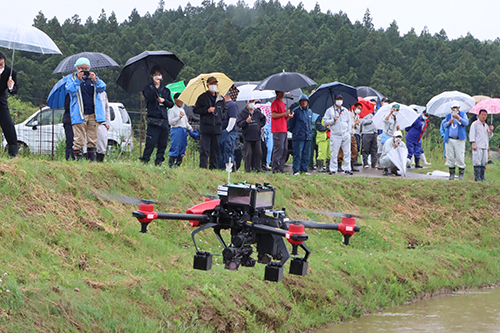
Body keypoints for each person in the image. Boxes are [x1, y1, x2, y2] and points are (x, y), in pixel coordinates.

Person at [66, 57, 106, 161]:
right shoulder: (72, 79)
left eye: (86, 68)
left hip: (93, 113)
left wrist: (95, 80)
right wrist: (78, 80)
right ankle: (77, 160)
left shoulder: (94, 79)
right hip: (79, 113)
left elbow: (102, 88)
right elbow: (70, 90)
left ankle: (91, 160)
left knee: (92, 139)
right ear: (77, 68)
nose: (84, 71)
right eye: (81, 68)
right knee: (79, 139)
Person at [139, 66, 174, 166]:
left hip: (164, 118)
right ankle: (145, 159)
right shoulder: (148, 88)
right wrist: (155, 88)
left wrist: (164, 101)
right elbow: (149, 97)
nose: (158, 77)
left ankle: (159, 160)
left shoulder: (166, 90)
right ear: (152, 76)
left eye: (159, 75)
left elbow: (170, 104)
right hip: (153, 118)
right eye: (156, 75)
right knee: (151, 141)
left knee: (163, 143)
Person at [193, 76, 227, 169]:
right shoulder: (202, 97)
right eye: (211, 84)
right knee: (205, 149)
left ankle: (214, 168)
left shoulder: (221, 98)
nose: (213, 86)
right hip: (206, 127)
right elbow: (196, 110)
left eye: (215, 84)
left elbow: (225, 111)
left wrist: (220, 117)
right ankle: (203, 167)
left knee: (215, 150)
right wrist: (207, 110)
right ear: (207, 85)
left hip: (217, 127)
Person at [323, 94, 352, 175]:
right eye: (338, 99)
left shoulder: (345, 110)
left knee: (347, 152)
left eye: (340, 99)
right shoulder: (330, 110)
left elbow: (349, 121)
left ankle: (347, 168)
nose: (339, 101)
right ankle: (333, 169)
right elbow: (325, 121)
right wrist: (333, 120)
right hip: (335, 134)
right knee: (334, 152)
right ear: (335, 100)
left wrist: (349, 132)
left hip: (345, 133)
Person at [237, 100, 266, 172]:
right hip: (247, 136)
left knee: (258, 153)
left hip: (257, 136)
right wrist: (246, 122)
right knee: (248, 154)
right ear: (246, 103)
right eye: (250, 102)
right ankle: (247, 169)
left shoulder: (257, 112)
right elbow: (239, 123)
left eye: (253, 101)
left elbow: (263, 119)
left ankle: (258, 168)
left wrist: (259, 126)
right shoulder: (243, 113)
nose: (251, 103)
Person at [442, 101, 469, 180]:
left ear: (459, 107)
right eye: (453, 107)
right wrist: (449, 122)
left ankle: (461, 173)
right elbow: (444, 125)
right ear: (451, 108)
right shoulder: (448, 116)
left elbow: (466, 123)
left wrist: (459, 118)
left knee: (460, 156)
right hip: (450, 139)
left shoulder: (463, 114)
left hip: (459, 139)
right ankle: (451, 173)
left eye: (456, 107)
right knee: (449, 156)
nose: (455, 109)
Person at [0, 52, 19, 158]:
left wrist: (11, 87)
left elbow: (15, 90)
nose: (0, 67)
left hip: (1, 102)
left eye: (1, 64)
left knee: (9, 126)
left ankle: (13, 153)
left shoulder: (10, 72)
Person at [288, 94, 313, 175]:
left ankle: (304, 170)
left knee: (306, 154)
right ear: (300, 102)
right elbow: (291, 124)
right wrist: (296, 132)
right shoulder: (296, 111)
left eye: (305, 101)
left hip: (307, 136)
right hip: (298, 136)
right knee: (298, 154)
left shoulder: (309, 111)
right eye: (302, 101)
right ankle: (296, 170)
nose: (304, 103)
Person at [168, 93, 193, 167]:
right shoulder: (172, 110)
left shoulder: (182, 110)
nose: (181, 102)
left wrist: (190, 128)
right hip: (176, 129)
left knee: (182, 146)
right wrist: (179, 117)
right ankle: (171, 163)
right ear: (175, 100)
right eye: (180, 100)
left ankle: (178, 163)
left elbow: (185, 122)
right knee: (175, 145)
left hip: (183, 130)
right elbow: (170, 121)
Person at [271, 91, 293, 173]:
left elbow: (282, 117)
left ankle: (281, 168)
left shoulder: (283, 103)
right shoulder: (275, 103)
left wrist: (288, 116)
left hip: (284, 129)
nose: (283, 94)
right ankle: (275, 168)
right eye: (282, 92)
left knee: (284, 150)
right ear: (278, 93)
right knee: (278, 149)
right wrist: (284, 113)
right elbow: (273, 115)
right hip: (277, 130)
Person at [469, 109, 494, 181]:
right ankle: (477, 177)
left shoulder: (486, 125)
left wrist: (491, 130)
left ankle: (482, 177)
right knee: (477, 161)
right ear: (479, 115)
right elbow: (472, 134)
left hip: (485, 146)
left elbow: (489, 136)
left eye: (485, 115)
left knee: (484, 161)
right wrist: (473, 143)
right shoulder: (475, 124)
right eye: (482, 115)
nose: (483, 116)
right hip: (477, 145)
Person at [219, 92, 238, 169]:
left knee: (228, 148)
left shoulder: (232, 105)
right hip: (222, 130)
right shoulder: (223, 105)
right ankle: (221, 166)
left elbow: (232, 118)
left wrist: (227, 130)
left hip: (229, 132)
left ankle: (228, 167)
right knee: (221, 149)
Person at [360, 103, 378, 168]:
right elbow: (362, 122)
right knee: (366, 148)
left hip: (374, 133)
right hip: (366, 133)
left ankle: (374, 163)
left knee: (374, 149)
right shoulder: (364, 114)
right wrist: (371, 120)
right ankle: (365, 163)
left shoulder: (375, 114)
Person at [96, 91, 110, 162]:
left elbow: (107, 108)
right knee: (89, 143)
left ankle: (100, 161)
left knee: (102, 143)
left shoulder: (103, 93)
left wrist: (107, 122)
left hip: (102, 122)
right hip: (91, 121)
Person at [62, 94, 74, 160]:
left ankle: (74, 156)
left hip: (76, 121)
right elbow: (66, 107)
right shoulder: (69, 95)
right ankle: (69, 157)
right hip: (68, 121)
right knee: (70, 140)